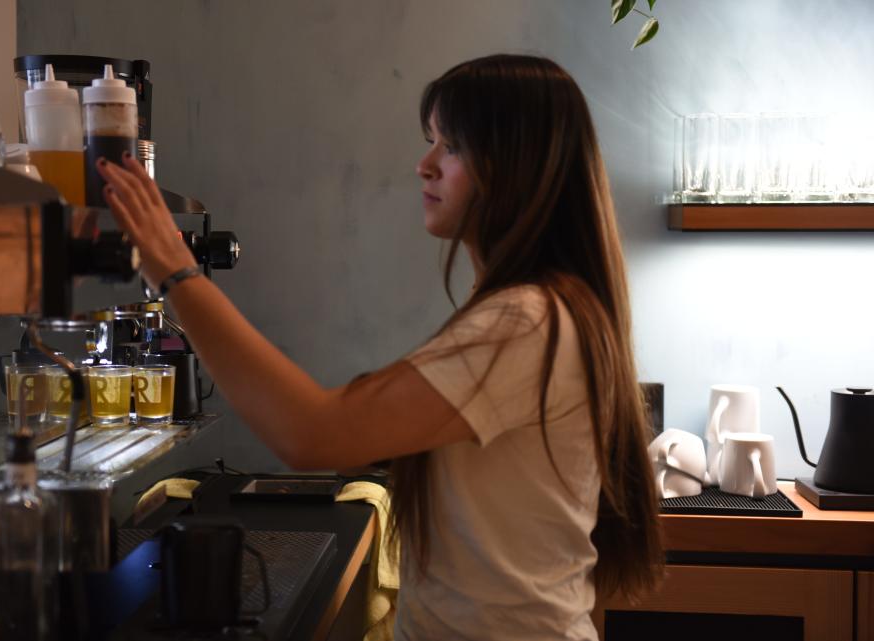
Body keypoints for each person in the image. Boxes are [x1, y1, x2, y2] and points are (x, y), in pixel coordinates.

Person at [96, 53, 662, 641]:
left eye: (450, 147)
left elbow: (312, 433)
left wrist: (176, 272)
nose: (424, 166)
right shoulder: (538, 311)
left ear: (516, 166)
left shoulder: (525, 322)